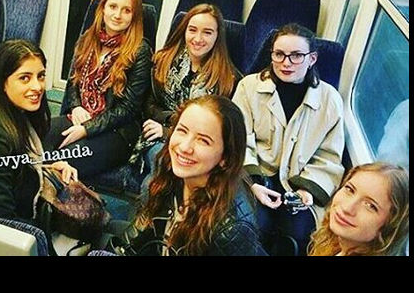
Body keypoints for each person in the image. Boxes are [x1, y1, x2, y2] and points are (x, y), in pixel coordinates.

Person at [232, 23, 345, 256]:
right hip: (255, 175)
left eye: (296, 55)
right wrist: (254, 182)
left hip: (300, 182)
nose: (286, 63)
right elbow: (238, 139)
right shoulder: (248, 87)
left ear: (312, 58)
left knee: (297, 237)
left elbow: (329, 156)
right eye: (279, 54)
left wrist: (307, 191)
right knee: (253, 226)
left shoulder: (329, 99)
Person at [114, 95, 266, 256]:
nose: (185, 147)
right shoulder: (172, 175)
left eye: (203, 141)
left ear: (225, 157)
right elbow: (139, 231)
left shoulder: (232, 230)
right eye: (182, 131)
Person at [0, 39, 77, 222]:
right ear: (2, 83)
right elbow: (2, 220)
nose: (37, 87)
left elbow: (16, 167)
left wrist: (47, 167)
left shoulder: (19, 113)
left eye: (41, 76)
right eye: (24, 78)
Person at [44, 0, 152, 178]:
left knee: (65, 160)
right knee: (35, 140)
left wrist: (87, 129)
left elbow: (128, 110)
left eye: (126, 10)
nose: (117, 15)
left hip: (116, 132)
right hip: (80, 116)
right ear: (103, 8)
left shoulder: (140, 51)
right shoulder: (88, 39)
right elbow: (73, 82)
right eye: (113, 6)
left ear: (134, 16)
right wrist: (76, 107)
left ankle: (51, 192)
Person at [135, 3, 241, 180]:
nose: (198, 39)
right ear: (184, 31)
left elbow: (219, 130)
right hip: (156, 135)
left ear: (217, 36)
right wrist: (167, 125)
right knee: (163, 162)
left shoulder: (229, 79)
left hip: (199, 145)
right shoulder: (162, 60)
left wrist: (169, 131)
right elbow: (149, 104)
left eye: (207, 32)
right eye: (192, 30)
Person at [309, 162, 409, 256]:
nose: (347, 208)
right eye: (350, 189)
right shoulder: (336, 242)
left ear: (390, 224)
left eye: (370, 206)